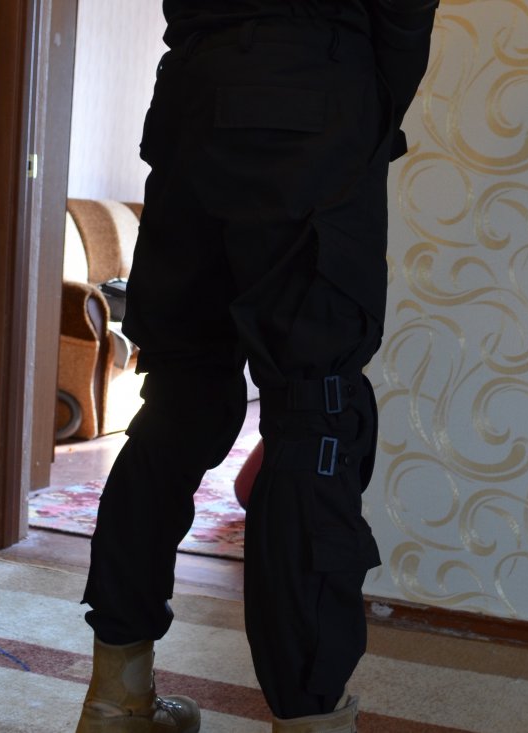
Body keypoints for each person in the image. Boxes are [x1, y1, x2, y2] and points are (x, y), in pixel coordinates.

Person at [75, 2, 438, 731]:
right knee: (314, 411)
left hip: (191, 101)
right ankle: (309, 718)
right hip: (316, 96)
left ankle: (118, 699)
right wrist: (365, 105)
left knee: (178, 402)